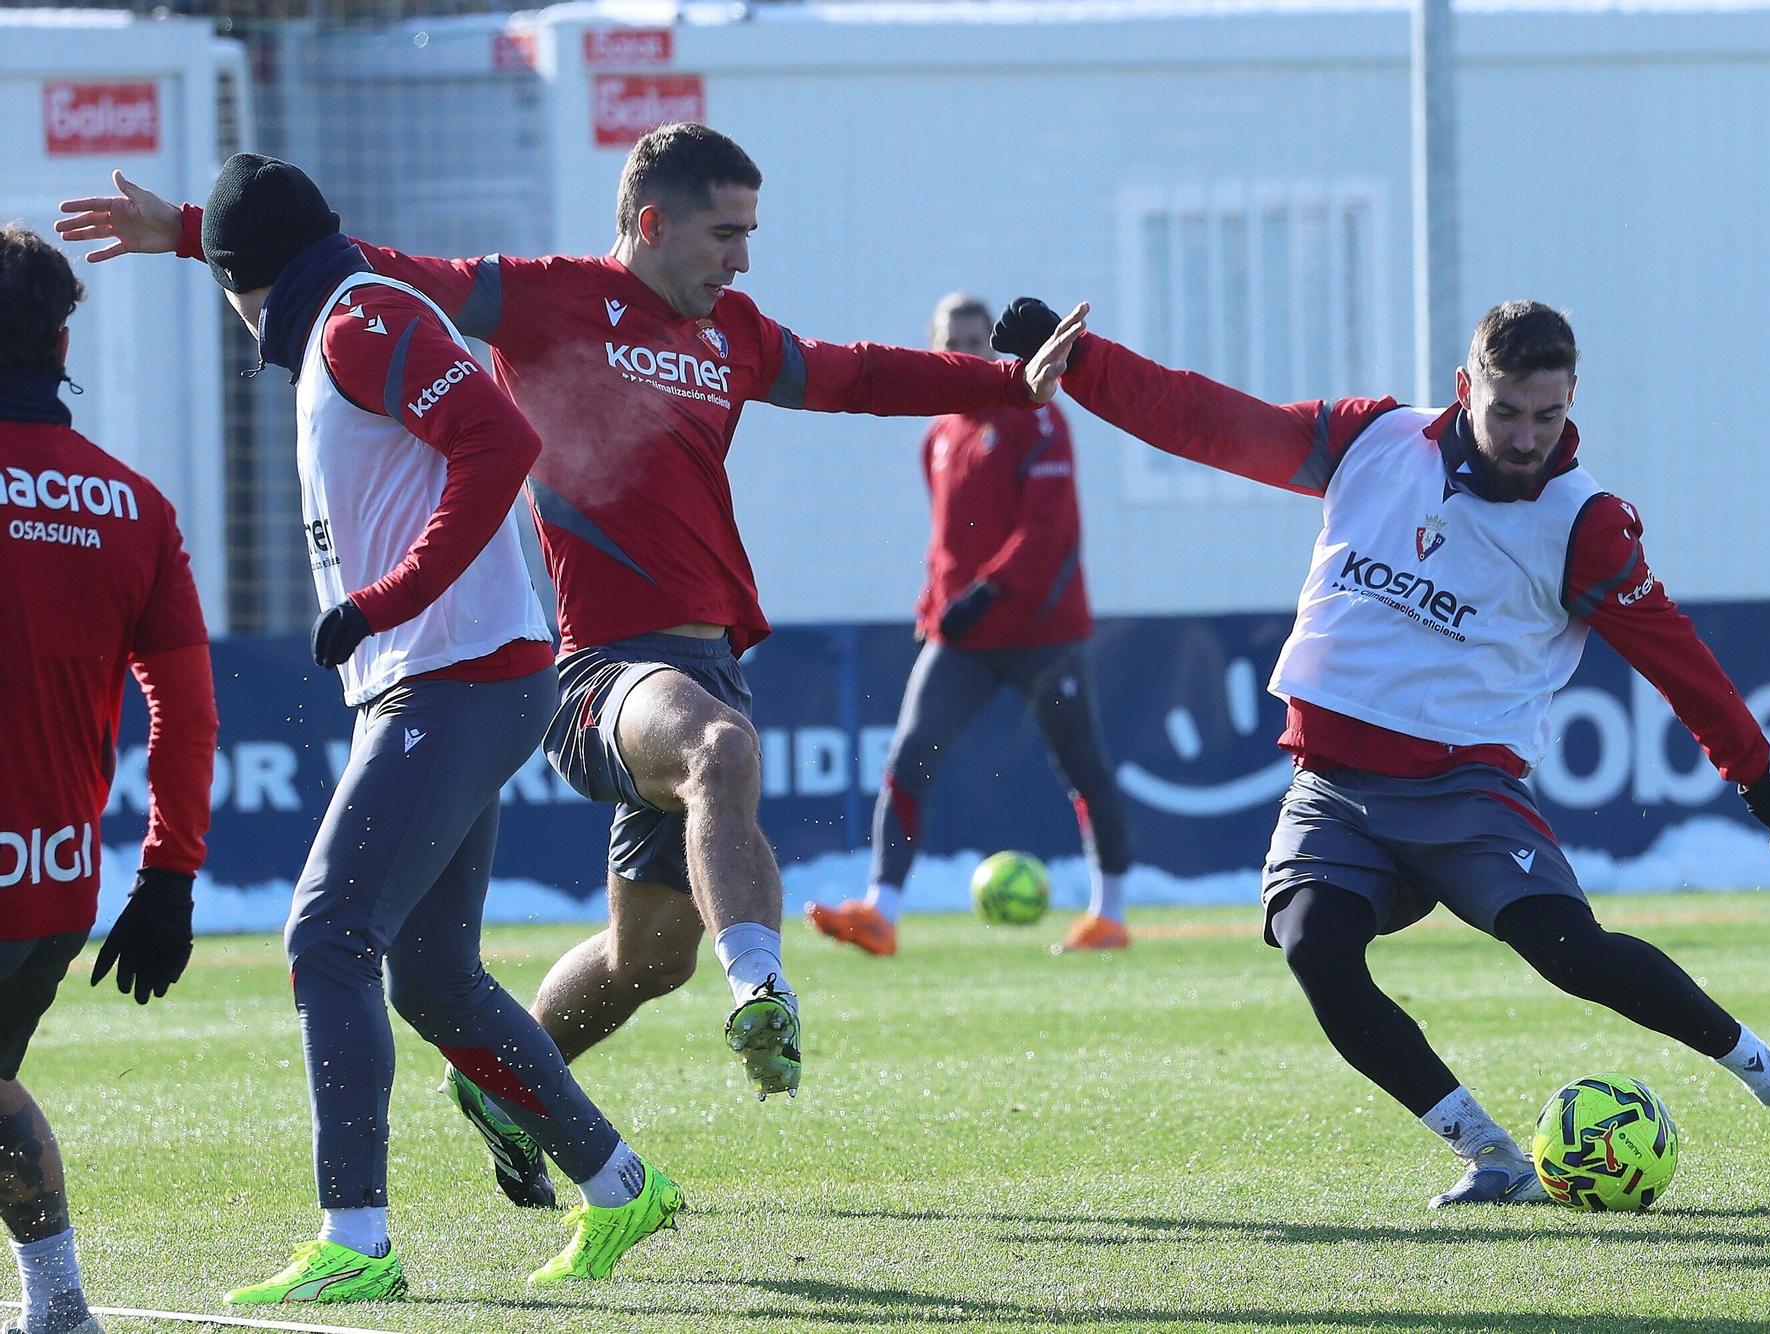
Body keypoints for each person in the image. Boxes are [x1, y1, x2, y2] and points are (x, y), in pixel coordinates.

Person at [58, 124, 1080, 1201]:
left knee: (647, 957)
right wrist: (192, 233)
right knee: (720, 751)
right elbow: (364, 266)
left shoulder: (729, 329)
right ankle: (762, 987)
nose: (742, 259)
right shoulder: (543, 298)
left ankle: (501, 1086)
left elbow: (853, 374)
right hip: (598, 669)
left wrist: (1007, 383)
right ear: (651, 223)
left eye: (749, 235)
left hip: (703, 659)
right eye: (724, 234)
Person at [989, 295, 1770, 1206]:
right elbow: (1209, 423)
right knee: (1315, 950)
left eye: (1548, 415)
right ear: (1465, 388)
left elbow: (1672, 651)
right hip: (1334, 788)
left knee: (1571, 956)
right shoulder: (1371, 442)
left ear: (1572, 401)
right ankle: (1491, 1154)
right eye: (1506, 411)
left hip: (1464, 789)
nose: (1524, 437)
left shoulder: (1585, 524)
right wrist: (1084, 363)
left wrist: (1754, 772)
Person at [88, 155, 684, 1301]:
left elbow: (501, 442)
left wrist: (385, 597)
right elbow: (276, 254)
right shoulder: (347, 305)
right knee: (435, 978)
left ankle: (356, 1241)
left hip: (454, 672)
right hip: (455, 674)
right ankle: (620, 1184)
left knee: (325, 934)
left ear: (241, 281)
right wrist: (189, 234)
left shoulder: (356, 318)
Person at [0, 223, 218, 1334]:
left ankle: (61, 1304)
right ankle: (58, 1304)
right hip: (52, 885)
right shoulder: (133, 506)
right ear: (62, 335)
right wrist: (171, 873)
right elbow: (186, 710)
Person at [805, 293, 1134, 956]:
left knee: (1083, 767)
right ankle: (882, 912)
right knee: (907, 760)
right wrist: (936, 605)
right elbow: (948, 540)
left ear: (996, 346)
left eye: (978, 340)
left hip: (1042, 632)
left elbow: (1048, 532)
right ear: (932, 350)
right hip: (961, 636)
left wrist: (987, 593)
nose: (966, 353)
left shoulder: (1037, 416)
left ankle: (1111, 915)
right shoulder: (939, 432)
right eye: (953, 342)